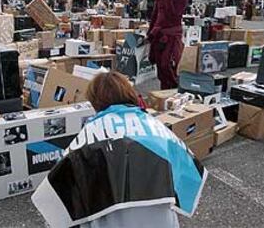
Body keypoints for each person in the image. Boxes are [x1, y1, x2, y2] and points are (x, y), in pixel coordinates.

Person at [32, 71, 207, 228]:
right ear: (129, 94)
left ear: (94, 101)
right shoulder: (158, 129)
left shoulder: (87, 137)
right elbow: (189, 176)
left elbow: (62, 191)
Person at [148, 0, 188, 90]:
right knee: (159, 65)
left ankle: (175, 87)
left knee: (168, 64)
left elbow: (175, 15)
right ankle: (164, 93)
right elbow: (156, 14)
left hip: (172, 33)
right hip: (159, 32)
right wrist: (150, 31)